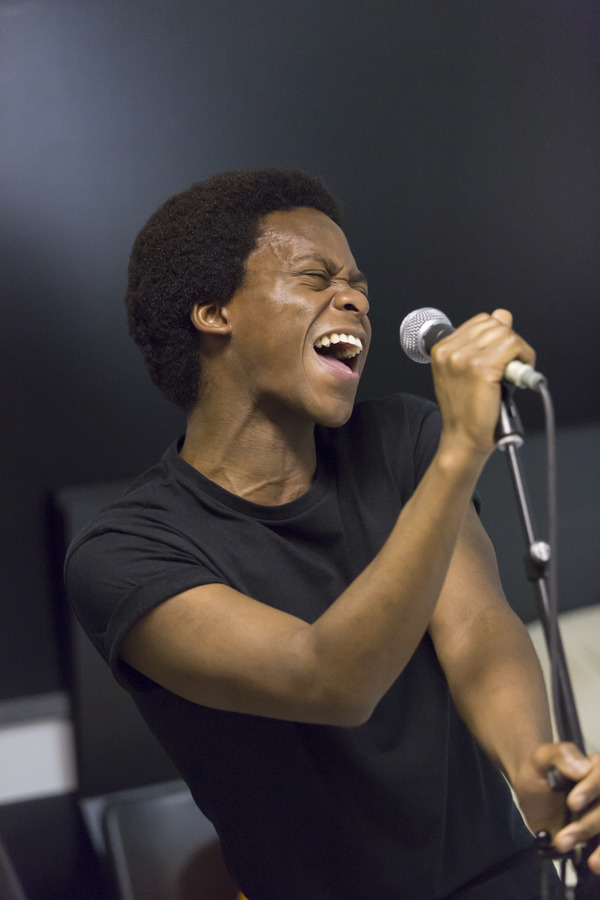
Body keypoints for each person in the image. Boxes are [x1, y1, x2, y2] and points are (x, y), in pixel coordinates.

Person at [65, 168, 600, 899]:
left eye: (359, 286)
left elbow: (476, 629)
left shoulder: (402, 439)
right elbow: (327, 679)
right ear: (212, 310)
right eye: (315, 277)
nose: (353, 299)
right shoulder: (125, 552)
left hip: (501, 881)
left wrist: (541, 776)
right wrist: (461, 452)